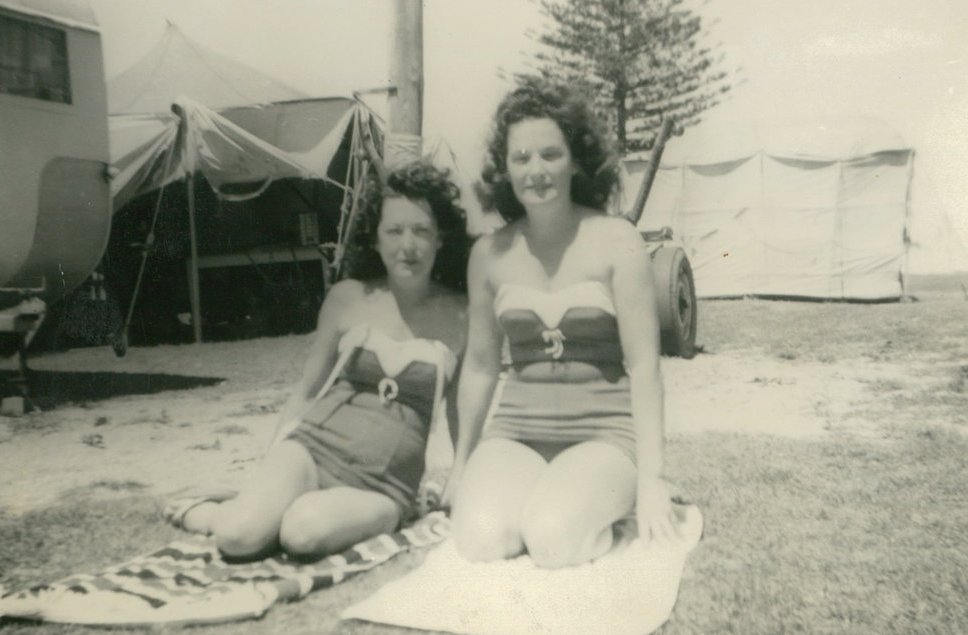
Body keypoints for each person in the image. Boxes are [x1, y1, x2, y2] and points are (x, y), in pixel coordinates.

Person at [171, 161, 469, 559]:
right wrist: (271, 466)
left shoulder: (462, 314)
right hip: (311, 451)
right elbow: (307, 390)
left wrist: (462, 481)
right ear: (376, 239)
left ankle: (261, 510)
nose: (407, 245)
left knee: (302, 532)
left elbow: (462, 418)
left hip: (383, 487)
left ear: (441, 239)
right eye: (394, 231)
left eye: (421, 230)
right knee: (239, 535)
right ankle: (214, 514)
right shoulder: (348, 297)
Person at [445, 80, 677, 569]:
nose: (536, 171)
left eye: (551, 154)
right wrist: (462, 464)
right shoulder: (489, 255)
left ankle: (586, 508)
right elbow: (481, 369)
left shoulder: (619, 241)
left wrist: (654, 481)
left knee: (552, 541)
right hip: (516, 433)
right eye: (521, 158)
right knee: (480, 541)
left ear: (576, 160)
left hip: (605, 435)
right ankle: (553, 499)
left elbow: (645, 369)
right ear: (504, 169)